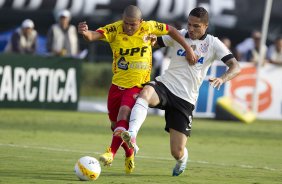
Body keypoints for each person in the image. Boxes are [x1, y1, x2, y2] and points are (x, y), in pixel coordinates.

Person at [120, 7, 241, 176]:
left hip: (185, 99)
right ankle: (132, 134)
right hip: (166, 85)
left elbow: (235, 66)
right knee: (145, 93)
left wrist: (222, 78)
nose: (191, 29)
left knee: (176, 151)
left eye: (196, 26)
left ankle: (182, 160)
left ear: (206, 26)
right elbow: (154, 43)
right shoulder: (179, 34)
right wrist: (150, 39)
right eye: (189, 24)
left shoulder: (213, 43)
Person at [77, 5, 197, 174]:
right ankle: (129, 152)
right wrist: (84, 33)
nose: (129, 27)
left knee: (123, 115)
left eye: (133, 24)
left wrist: (188, 48)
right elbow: (92, 36)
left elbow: (171, 30)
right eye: (126, 23)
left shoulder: (149, 27)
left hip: (137, 85)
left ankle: (110, 152)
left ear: (140, 22)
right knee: (115, 126)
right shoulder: (114, 29)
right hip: (117, 85)